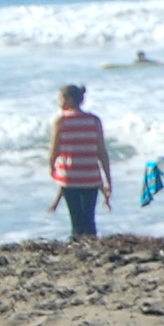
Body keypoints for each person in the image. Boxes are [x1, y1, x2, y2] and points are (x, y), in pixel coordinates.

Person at [47, 86, 113, 238]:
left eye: (60, 99)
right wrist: (108, 179)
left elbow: (54, 150)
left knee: (76, 219)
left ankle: (78, 245)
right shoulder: (94, 120)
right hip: (91, 176)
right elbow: (102, 152)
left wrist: (52, 169)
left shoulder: (61, 121)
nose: (58, 103)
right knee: (89, 219)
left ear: (69, 100)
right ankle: (92, 245)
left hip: (69, 177)